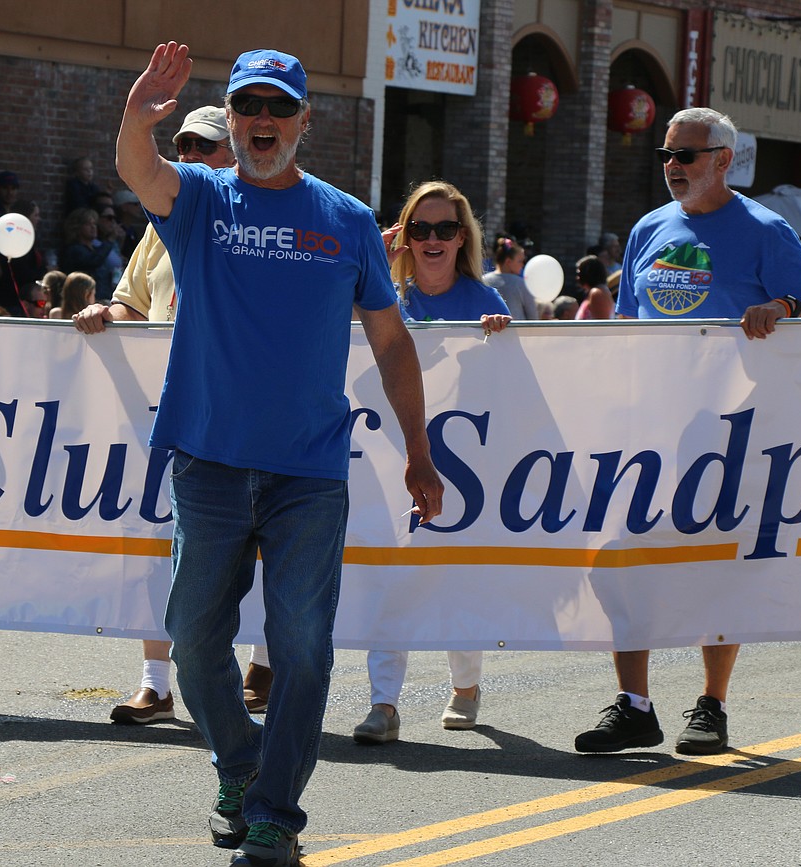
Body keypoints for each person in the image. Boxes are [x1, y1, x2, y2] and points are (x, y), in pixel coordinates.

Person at [76, 44, 443, 867]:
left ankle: (275, 814)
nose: (262, 123)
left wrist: (420, 454)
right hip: (207, 461)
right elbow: (139, 169)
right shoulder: (201, 196)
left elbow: (391, 343)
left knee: (304, 648)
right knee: (193, 638)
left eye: (279, 109)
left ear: (305, 119)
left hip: (308, 473)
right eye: (249, 108)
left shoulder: (345, 219)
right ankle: (241, 766)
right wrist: (140, 110)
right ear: (233, 119)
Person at [574, 107, 801, 757]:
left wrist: (780, 307)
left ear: (724, 160)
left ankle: (712, 705)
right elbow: (629, 333)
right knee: (617, 560)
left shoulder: (767, 230)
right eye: (665, 155)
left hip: (734, 433)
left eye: (686, 156)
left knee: (719, 569)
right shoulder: (646, 229)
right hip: (652, 430)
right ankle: (634, 705)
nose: (672, 167)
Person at [77, 105, 274, 726]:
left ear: (233, 156)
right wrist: (106, 316)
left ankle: (266, 660)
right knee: (157, 540)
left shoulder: (264, 221)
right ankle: (156, 684)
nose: (189, 158)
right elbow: (133, 303)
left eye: (204, 148)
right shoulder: (158, 228)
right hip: (170, 409)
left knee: (264, 540)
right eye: (182, 147)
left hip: (248, 408)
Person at [352, 180, 508, 746]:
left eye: (446, 228)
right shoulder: (381, 298)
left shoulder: (486, 302)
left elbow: (510, 386)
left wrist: (501, 338)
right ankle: (383, 702)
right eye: (421, 228)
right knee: (389, 576)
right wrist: (374, 256)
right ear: (406, 238)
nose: (433, 238)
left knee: (454, 573)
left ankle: (465, 688)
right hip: (390, 451)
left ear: (462, 237)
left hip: (464, 459)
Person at [482, 236, 537, 320]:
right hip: (517, 332)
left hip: (489, 332)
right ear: (508, 262)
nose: (522, 265)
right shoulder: (521, 284)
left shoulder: (483, 280)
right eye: (520, 261)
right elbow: (533, 316)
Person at [574, 254, 615, 319]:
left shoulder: (597, 293)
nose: (577, 278)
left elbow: (601, 326)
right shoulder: (598, 291)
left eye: (579, 273)